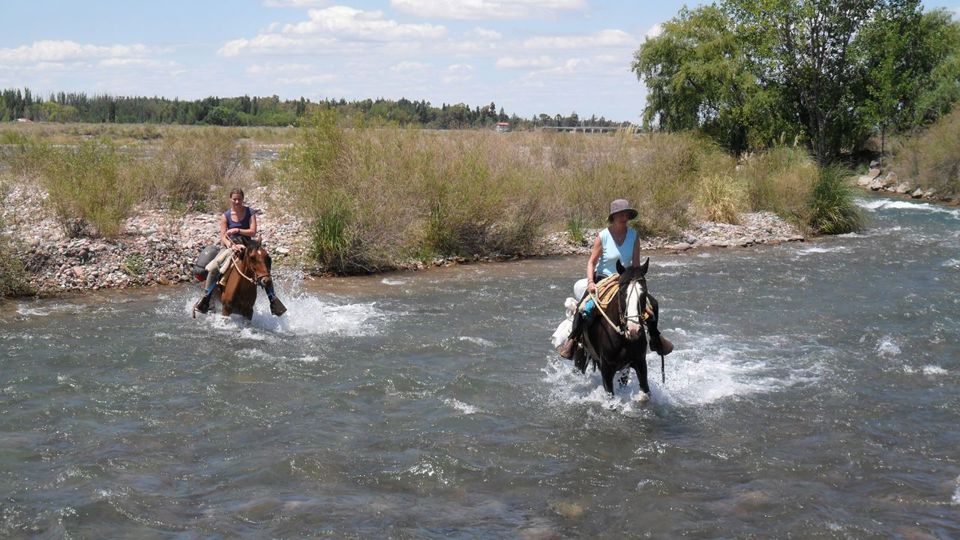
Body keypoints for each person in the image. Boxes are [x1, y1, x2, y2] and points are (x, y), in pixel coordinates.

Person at [557, 199, 671, 359]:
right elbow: (591, 262)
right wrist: (590, 282)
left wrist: (638, 284)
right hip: (604, 279)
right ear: (614, 216)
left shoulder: (634, 236)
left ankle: (654, 338)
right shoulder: (603, 236)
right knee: (584, 309)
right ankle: (573, 341)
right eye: (620, 214)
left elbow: (636, 265)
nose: (624, 217)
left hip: (626, 279)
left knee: (653, 305)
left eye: (626, 214)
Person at [194, 188, 287, 316]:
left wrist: (237, 230)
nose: (237, 201)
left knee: (264, 266)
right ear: (230, 199)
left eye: (239, 199)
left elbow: (252, 231)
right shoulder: (225, 216)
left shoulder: (250, 212)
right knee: (214, 267)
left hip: (248, 246)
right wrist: (231, 246)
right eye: (234, 199)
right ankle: (206, 298)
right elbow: (223, 236)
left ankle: (272, 299)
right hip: (230, 247)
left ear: (243, 199)